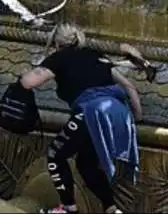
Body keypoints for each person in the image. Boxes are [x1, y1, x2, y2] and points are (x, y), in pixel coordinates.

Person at [19, 24, 142, 214]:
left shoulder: (59, 58)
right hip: (119, 111)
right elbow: (128, 86)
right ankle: (112, 209)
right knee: (86, 164)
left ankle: (69, 209)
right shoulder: (95, 55)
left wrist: (23, 78)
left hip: (93, 111)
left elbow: (29, 82)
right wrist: (137, 117)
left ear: (57, 44)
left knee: (55, 154)